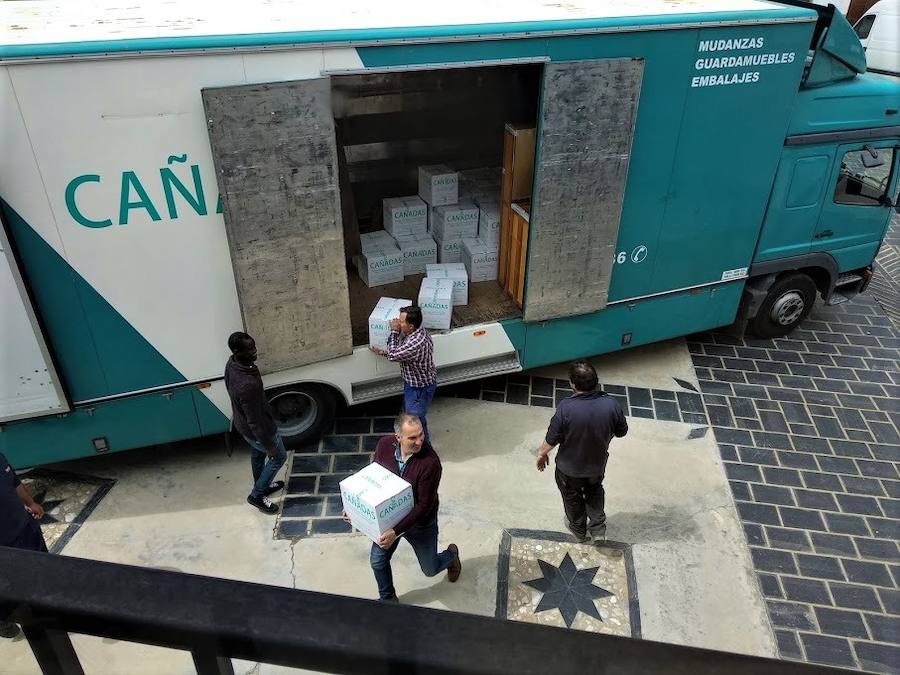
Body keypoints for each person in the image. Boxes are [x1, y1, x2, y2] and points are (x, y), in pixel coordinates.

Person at [346, 412, 461, 602]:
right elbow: (373, 475)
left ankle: (451, 556)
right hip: (388, 518)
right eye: (413, 437)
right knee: (377, 561)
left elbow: (424, 505)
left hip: (419, 523)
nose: (419, 441)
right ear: (398, 437)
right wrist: (352, 506)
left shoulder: (430, 463)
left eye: (421, 435)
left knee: (430, 570)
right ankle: (388, 599)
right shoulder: (384, 445)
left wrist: (395, 531)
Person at [536, 361, 628, 543]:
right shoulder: (611, 404)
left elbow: (552, 438)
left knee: (572, 497)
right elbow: (621, 431)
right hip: (596, 465)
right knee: (594, 491)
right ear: (596, 382)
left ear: (572, 384)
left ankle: (578, 529)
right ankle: (598, 529)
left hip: (569, 470)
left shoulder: (566, 408)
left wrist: (541, 453)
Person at [224, 331, 287, 515]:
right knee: (278, 457)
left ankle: (262, 483)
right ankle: (257, 495)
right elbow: (255, 421)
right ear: (237, 351)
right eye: (249, 349)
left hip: (243, 426)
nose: (255, 351)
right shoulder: (247, 385)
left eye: (253, 346)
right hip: (261, 429)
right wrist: (269, 445)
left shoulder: (232, 363)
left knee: (257, 456)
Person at [369, 306, 437, 442]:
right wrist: (383, 352)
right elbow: (401, 353)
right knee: (411, 415)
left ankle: (423, 449)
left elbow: (395, 355)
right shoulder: (417, 332)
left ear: (411, 326)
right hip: (413, 385)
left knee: (415, 421)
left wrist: (394, 331)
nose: (397, 323)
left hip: (419, 389)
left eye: (401, 322)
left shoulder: (415, 343)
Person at [1, 451, 47, 639]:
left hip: (26, 527)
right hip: (4, 545)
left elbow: (13, 481)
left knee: (44, 566)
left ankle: (49, 604)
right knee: (10, 584)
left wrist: (30, 502)